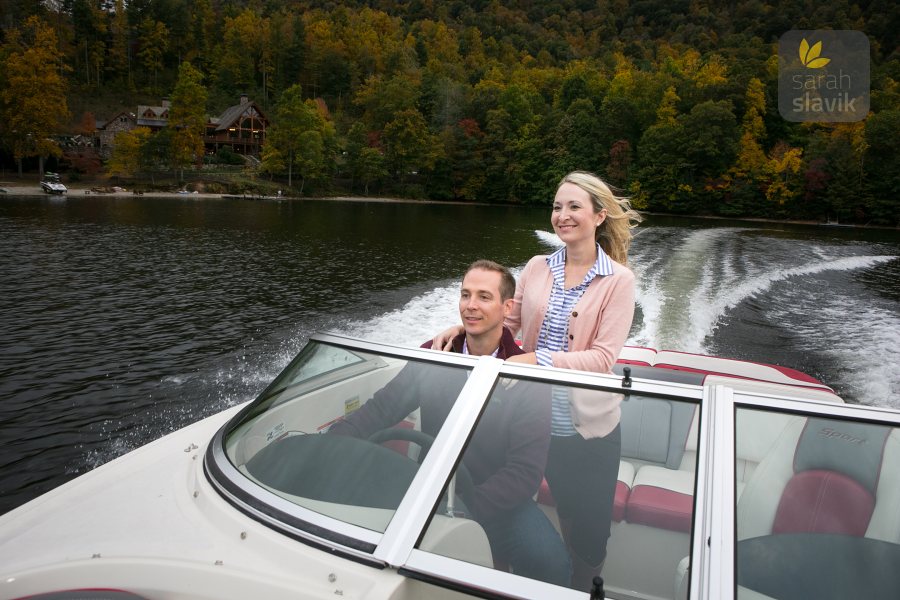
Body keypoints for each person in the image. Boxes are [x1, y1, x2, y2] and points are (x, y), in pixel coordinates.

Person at [432, 171, 641, 590]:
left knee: (587, 529)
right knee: (513, 500)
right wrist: (464, 330)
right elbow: (505, 323)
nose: (562, 216)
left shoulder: (619, 280)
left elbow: (602, 359)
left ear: (600, 215)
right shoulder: (536, 266)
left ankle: (581, 589)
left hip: (582, 430)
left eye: (574, 207)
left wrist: (536, 359)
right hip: (526, 417)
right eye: (557, 206)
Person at [329, 260, 570, 586]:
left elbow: (524, 473)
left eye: (484, 297)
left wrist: (460, 511)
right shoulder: (436, 353)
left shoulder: (527, 376)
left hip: (497, 501)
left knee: (551, 563)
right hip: (426, 489)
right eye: (465, 295)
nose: (471, 306)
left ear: (506, 307)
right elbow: (381, 409)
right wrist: (329, 443)